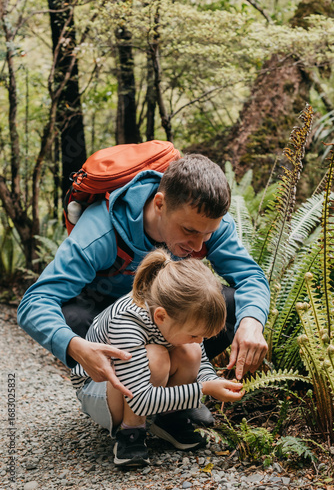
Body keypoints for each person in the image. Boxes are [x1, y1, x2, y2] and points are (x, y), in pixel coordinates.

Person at [17, 153, 269, 424]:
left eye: (206, 236)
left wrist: (252, 322)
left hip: (166, 318)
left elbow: (250, 277)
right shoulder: (99, 232)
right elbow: (35, 302)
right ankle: (120, 400)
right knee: (72, 317)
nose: (197, 247)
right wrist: (75, 346)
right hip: (108, 321)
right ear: (160, 204)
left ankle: (175, 397)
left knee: (230, 305)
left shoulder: (206, 222)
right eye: (189, 231)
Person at [71, 248, 245, 466]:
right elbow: (141, 399)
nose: (200, 339)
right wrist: (203, 390)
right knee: (156, 357)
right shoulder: (126, 321)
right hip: (98, 391)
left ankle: (170, 419)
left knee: (190, 351)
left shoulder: (174, 315)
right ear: (160, 316)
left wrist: (213, 380)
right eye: (194, 333)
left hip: (133, 387)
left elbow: (200, 358)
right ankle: (131, 433)